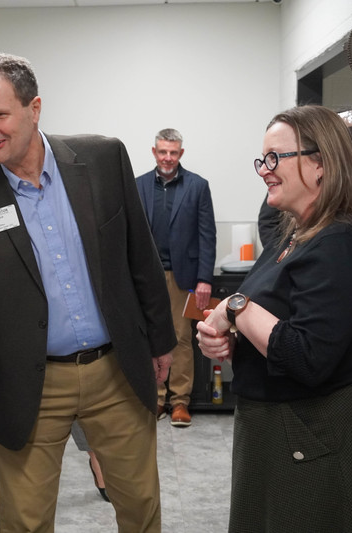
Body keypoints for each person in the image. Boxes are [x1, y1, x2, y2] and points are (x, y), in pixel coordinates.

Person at [0, 53, 176, 532]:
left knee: (140, 509)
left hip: (114, 371)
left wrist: (161, 341)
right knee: (25, 522)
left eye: (0, 115)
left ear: (35, 109)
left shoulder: (103, 158)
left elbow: (140, 256)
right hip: (28, 383)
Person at [197, 105, 352, 532]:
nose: (264, 170)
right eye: (262, 159)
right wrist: (230, 339)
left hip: (319, 439)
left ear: (321, 164)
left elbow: (308, 357)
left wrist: (236, 308)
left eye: (275, 158)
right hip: (284, 432)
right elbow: (279, 326)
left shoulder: (342, 242)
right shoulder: (293, 234)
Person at [136, 129, 216, 427]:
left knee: (182, 339)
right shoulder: (138, 186)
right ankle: (156, 399)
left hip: (183, 277)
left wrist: (204, 279)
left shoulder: (197, 186)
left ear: (181, 154)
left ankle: (180, 402)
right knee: (150, 338)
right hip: (147, 277)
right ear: (154, 152)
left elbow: (207, 235)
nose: (167, 157)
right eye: (162, 152)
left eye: (173, 152)